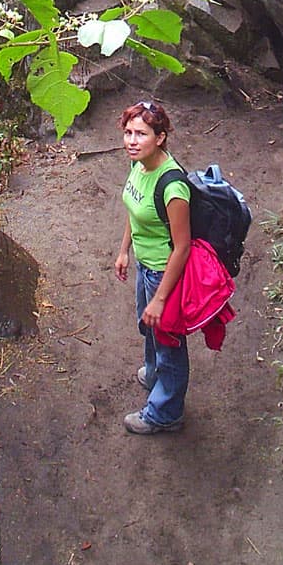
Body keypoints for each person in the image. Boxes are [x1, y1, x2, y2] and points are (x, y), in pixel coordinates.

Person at [115, 99, 191, 434]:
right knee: (148, 328)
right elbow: (135, 208)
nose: (132, 140)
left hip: (164, 272)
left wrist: (161, 297)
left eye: (141, 134)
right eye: (129, 132)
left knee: (169, 341)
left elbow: (183, 246)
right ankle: (154, 371)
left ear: (160, 138)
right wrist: (123, 251)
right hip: (144, 267)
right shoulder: (139, 165)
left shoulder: (172, 186)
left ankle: (166, 411)